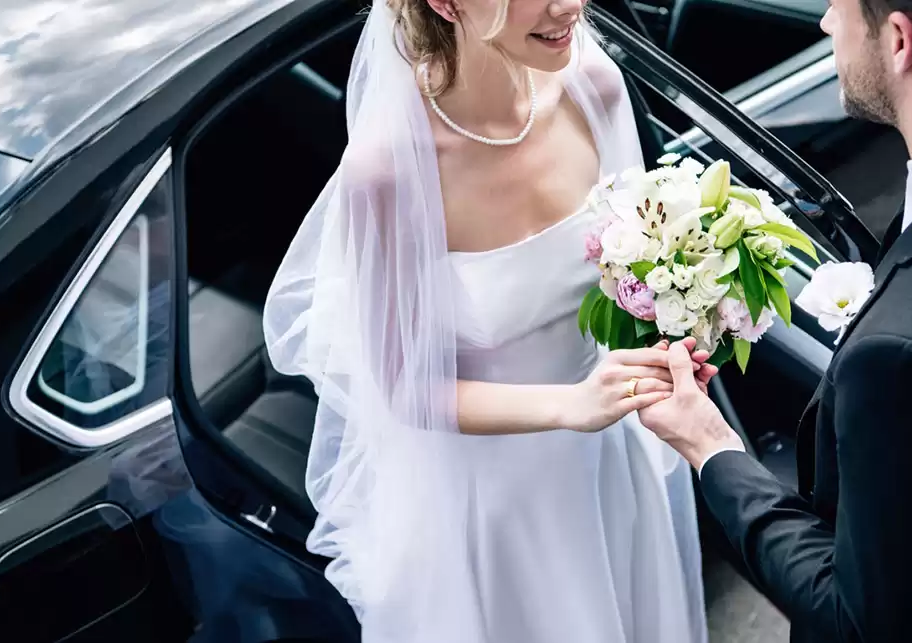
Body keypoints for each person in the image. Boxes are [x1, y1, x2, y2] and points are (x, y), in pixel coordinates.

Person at [262, 0, 713, 640]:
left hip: (610, 458)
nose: (571, 5)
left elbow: (636, 272)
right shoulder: (387, 170)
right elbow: (403, 387)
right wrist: (570, 405)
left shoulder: (595, 86)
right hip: (493, 506)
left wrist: (673, 334)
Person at [637, 1, 912, 641]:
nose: (824, 22)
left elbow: (858, 621)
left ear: (900, 40)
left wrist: (711, 445)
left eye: (838, 5)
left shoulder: (899, 354)